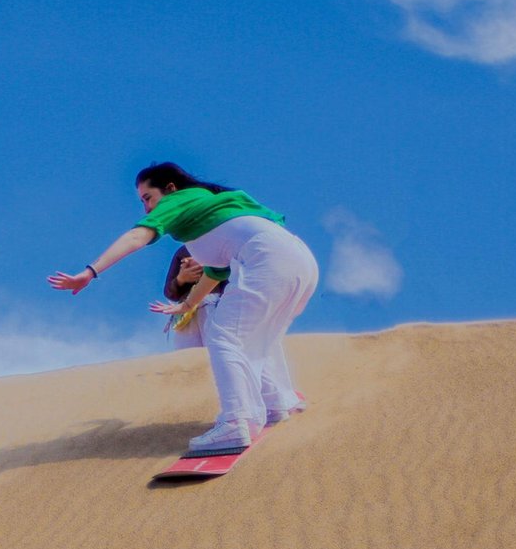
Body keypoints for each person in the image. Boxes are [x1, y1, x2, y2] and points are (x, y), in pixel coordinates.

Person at [48, 162, 318, 453]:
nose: (147, 209)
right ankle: (276, 403)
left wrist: (90, 272)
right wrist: (188, 304)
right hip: (299, 262)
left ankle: (235, 423)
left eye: (147, 198)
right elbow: (216, 273)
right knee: (256, 336)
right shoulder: (210, 213)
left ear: (170, 189)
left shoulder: (182, 199)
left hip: (268, 258)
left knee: (225, 337)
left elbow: (138, 236)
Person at [163, 245, 226, 349]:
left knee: (218, 347)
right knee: (186, 355)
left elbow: (231, 279)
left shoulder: (221, 246)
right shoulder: (184, 250)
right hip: (185, 312)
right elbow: (169, 293)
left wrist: (207, 266)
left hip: (214, 304)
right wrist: (180, 279)